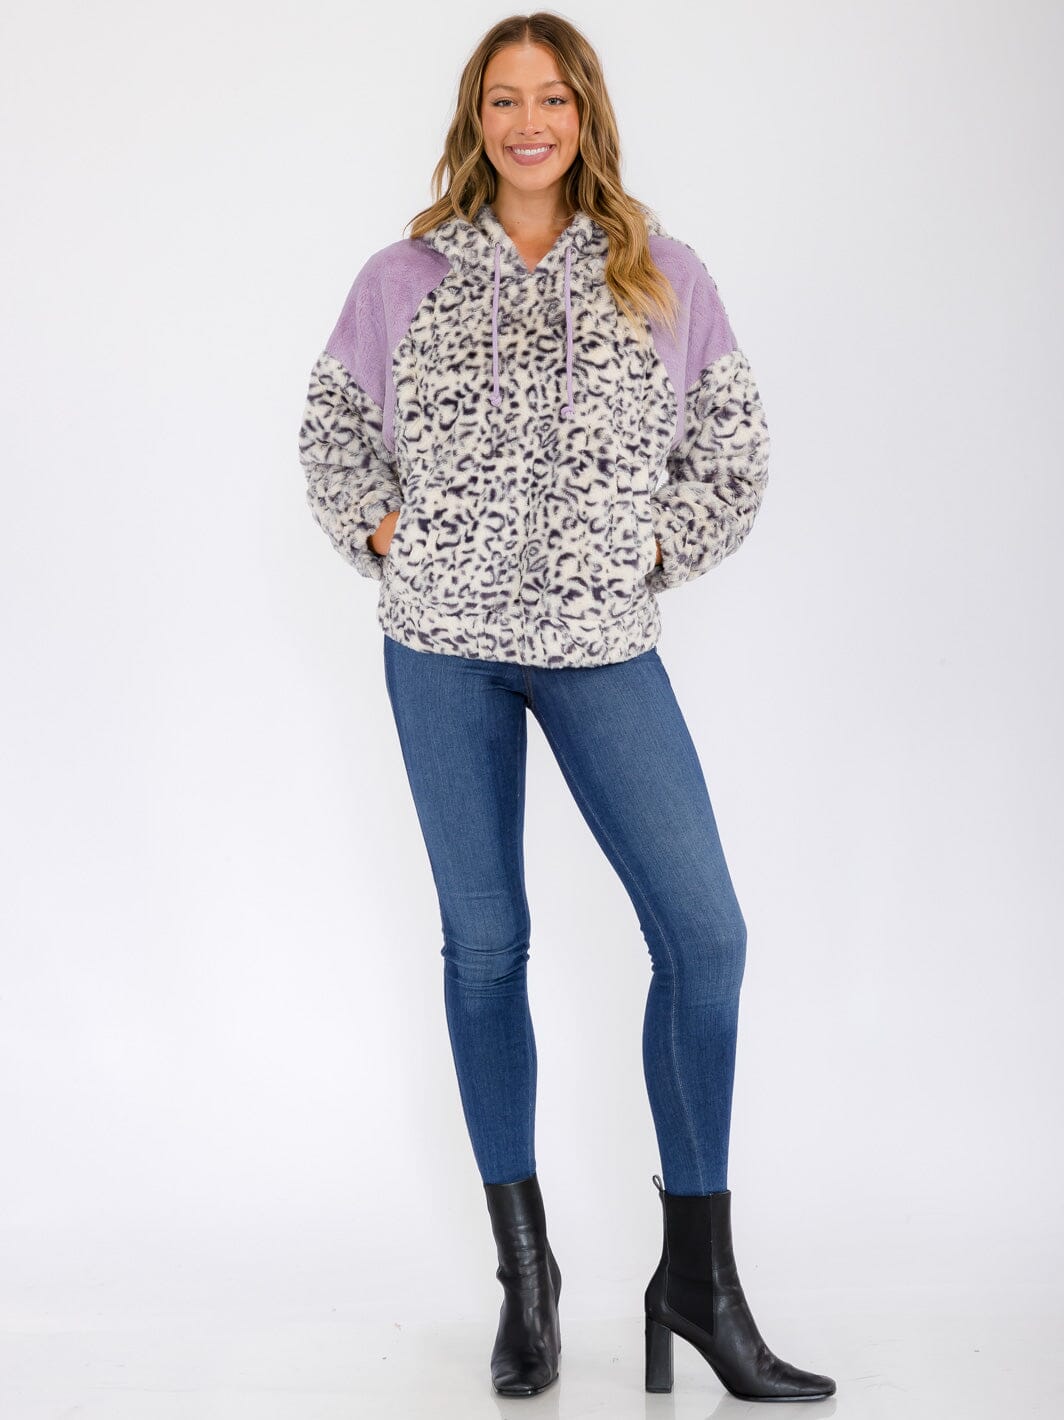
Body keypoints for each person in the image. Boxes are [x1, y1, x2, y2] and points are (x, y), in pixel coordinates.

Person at [297, 10, 835, 1404]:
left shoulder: (663, 274)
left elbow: (734, 452)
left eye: (550, 98)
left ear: (586, 114)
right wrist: (386, 533)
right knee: (486, 949)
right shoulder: (401, 278)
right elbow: (332, 432)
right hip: (440, 647)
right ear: (474, 121)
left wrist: (646, 550)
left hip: (601, 646)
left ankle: (697, 1281)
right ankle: (525, 1276)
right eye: (502, 100)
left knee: (705, 938)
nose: (527, 123)